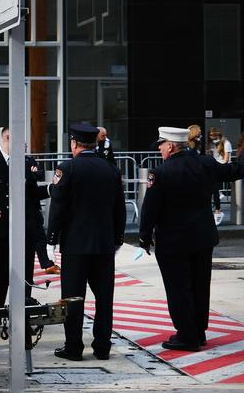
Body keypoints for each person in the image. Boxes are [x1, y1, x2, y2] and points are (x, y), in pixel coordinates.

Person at [139, 127, 244, 351]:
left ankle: (186, 335)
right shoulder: (204, 163)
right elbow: (232, 172)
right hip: (203, 237)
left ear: (170, 145)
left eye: (161, 145)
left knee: (178, 288)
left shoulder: (161, 172)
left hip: (173, 241)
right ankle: (198, 331)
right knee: (199, 285)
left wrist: (144, 237)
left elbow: (150, 209)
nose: (159, 149)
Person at [47, 123, 125, 361]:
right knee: (104, 299)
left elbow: (58, 206)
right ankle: (102, 347)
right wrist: (118, 238)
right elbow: (119, 208)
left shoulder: (67, 168)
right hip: (103, 245)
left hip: (75, 246)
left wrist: (52, 238)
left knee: (73, 298)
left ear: (74, 143)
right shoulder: (111, 169)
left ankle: (74, 347)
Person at [0, 127, 50, 329]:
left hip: (25, 227)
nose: (25, 147)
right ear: (7, 138)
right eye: (21, 142)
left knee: (25, 274)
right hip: (0, 228)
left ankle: (23, 314)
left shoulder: (27, 162)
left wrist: (52, 189)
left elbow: (32, 194)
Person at [207, 127, 232, 217]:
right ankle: (217, 205)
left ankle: (218, 208)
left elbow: (226, 159)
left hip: (224, 167)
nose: (211, 137)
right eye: (210, 135)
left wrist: (216, 166)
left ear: (217, 134)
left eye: (213, 135)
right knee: (212, 187)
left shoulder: (226, 143)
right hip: (215, 168)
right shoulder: (212, 144)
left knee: (213, 185)